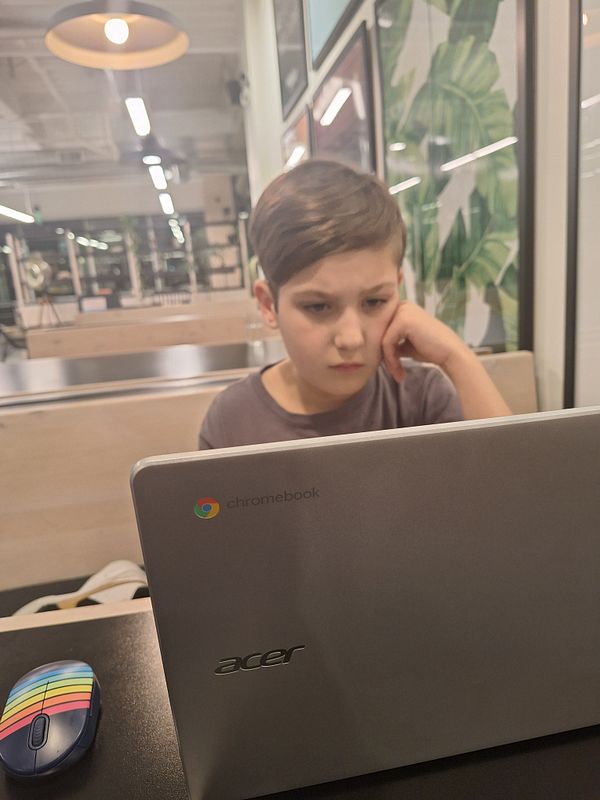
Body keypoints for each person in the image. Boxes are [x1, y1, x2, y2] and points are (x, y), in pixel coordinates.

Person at [199, 160, 510, 449]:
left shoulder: (420, 398)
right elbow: (206, 510)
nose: (351, 339)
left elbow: (518, 495)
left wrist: (457, 358)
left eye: (374, 301)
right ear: (269, 305)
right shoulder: (232, 421)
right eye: (318, 307)